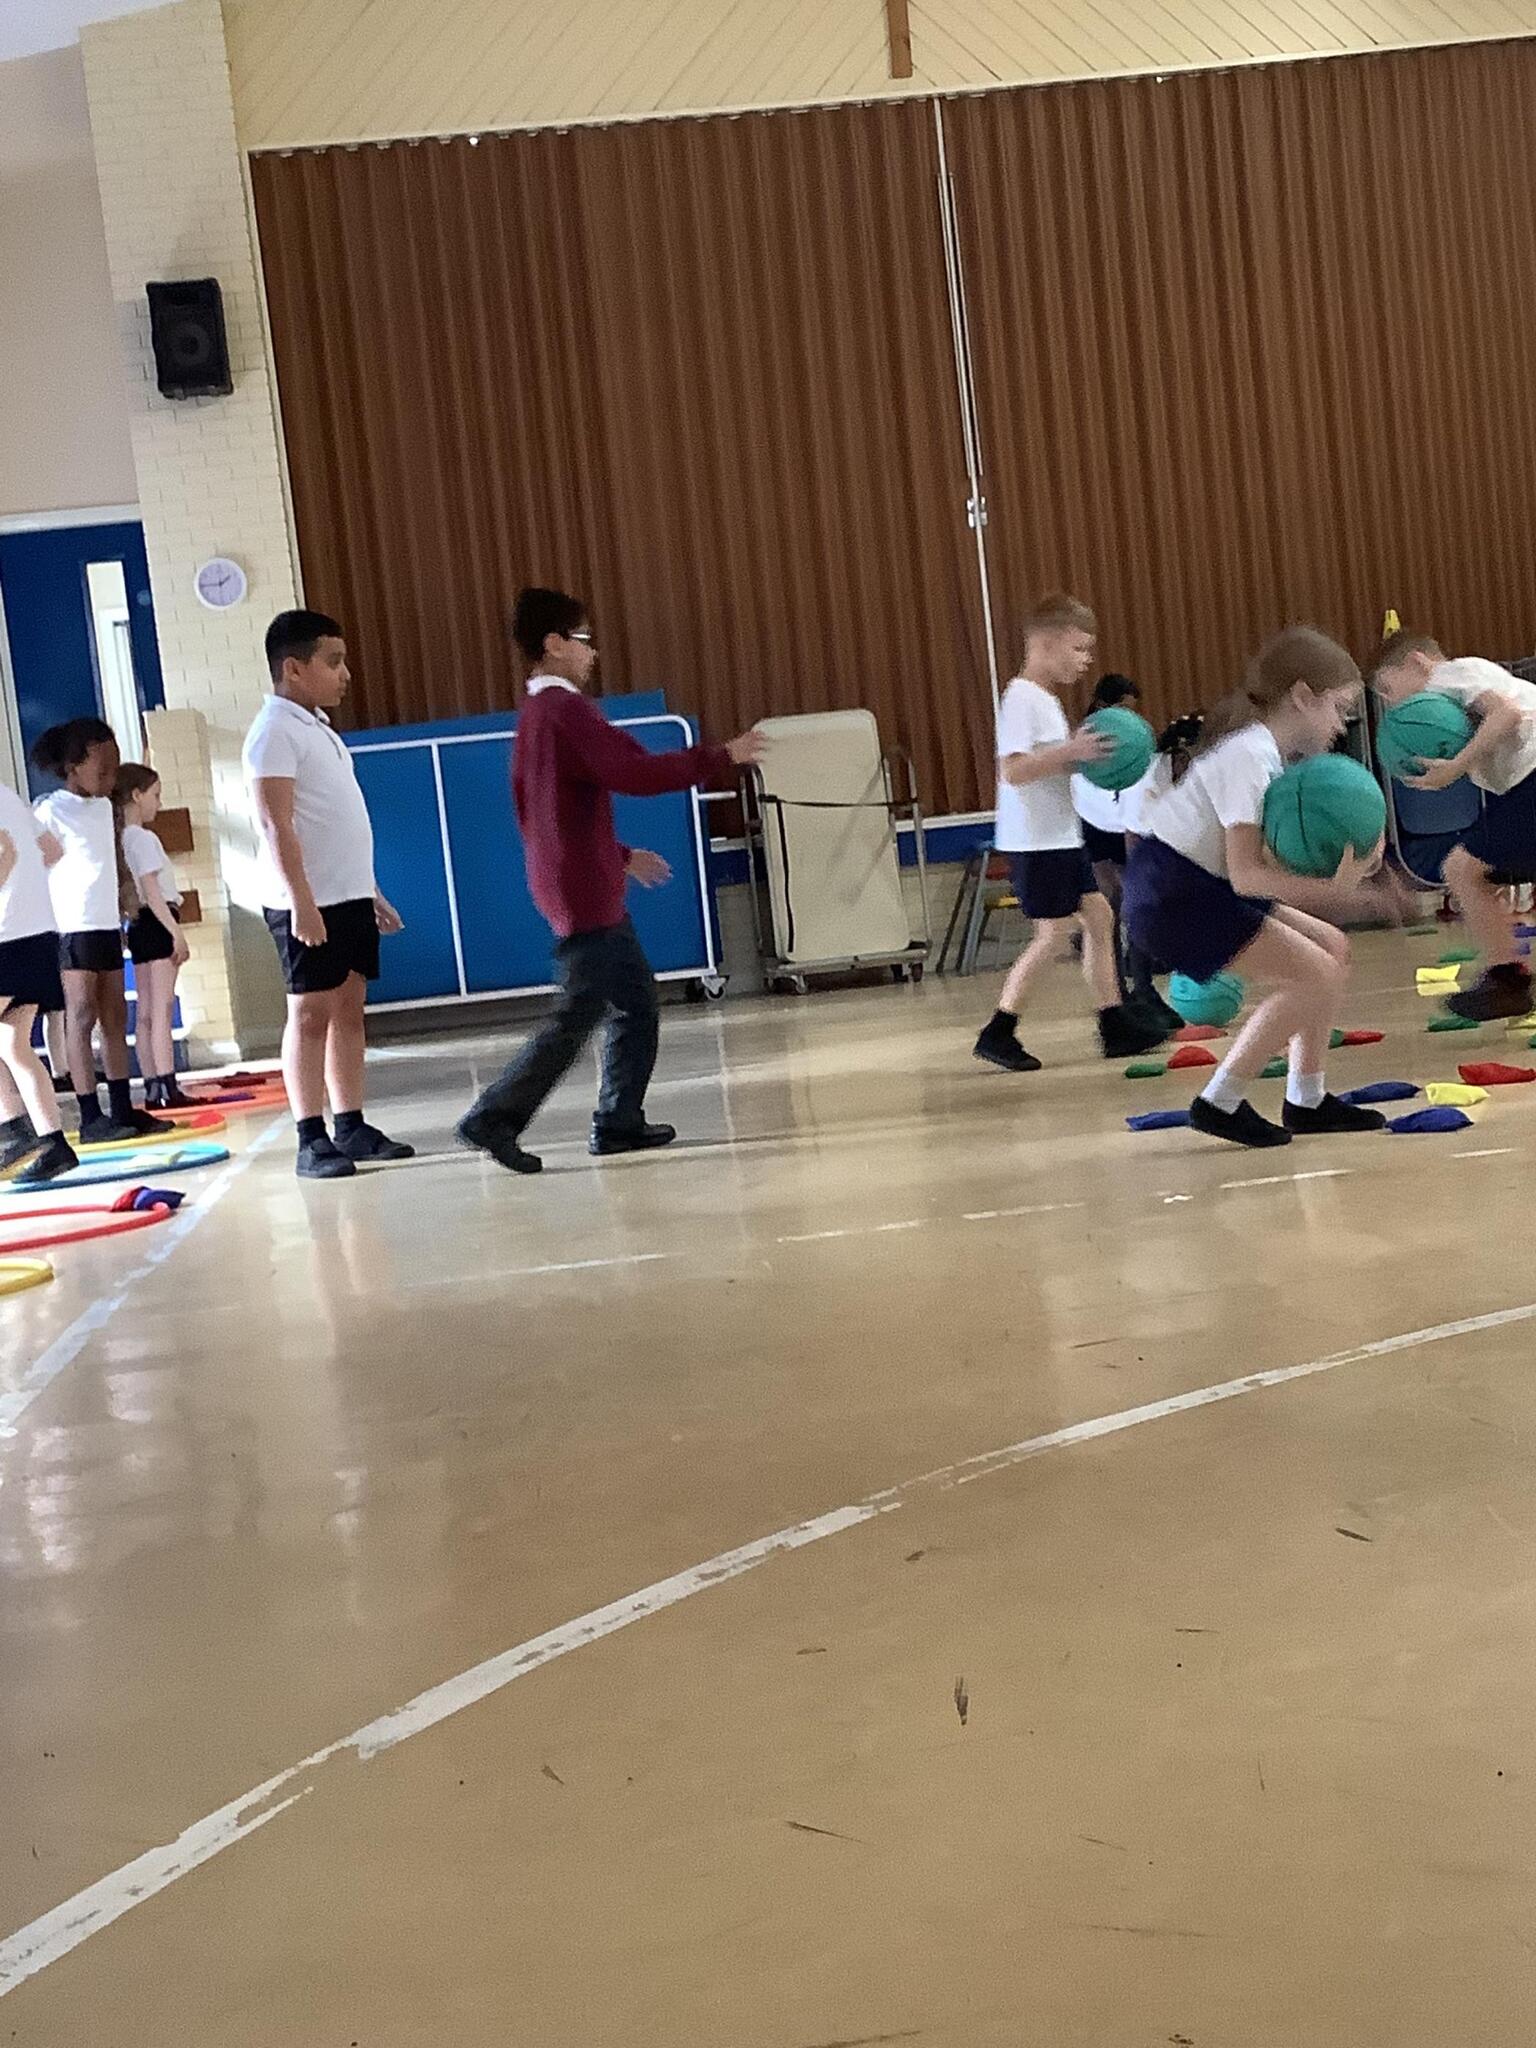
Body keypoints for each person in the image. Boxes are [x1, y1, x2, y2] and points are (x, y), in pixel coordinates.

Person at [458, 586, 765, 1175]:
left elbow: (547, 808)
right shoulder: (565, 711)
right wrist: (721, 755)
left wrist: (618, 854)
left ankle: (619, 1120)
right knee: (580, 1012)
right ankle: (495, 1116)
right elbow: (633, 771)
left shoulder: (538, 716)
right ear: (554, 644)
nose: (592, 652)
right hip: (581, 888)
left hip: (574, 877)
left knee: (633, 1002)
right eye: (584, 639)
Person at [1122, 626, 1407, 1148]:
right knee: (1314, 975)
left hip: (1194, 884)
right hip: (1174, 894)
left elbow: (1256, 867)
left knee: (1332, 949)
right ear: (1302, 696)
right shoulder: (1250, 754)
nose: (1340, 727)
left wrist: (1351, 876)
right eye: (1339, 709)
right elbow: (1248, 875)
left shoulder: (1264, 752)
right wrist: (1342, 892)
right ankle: (1219, 1102)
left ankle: (1307, 1099)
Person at [243, 609, 414, 1180]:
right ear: (293, 668)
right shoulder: (273, 732)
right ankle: (310, 1138)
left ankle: (351, 1124)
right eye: (333, 662)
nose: (345, 674)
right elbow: (276, 823)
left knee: (349, 1010)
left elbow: (337, 822)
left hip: (347, 896)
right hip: (307, 902)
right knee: (310, 1014)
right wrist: (302, 902)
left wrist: (369, 890)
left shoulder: (318, 728)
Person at [973, 595, 1167, 1073]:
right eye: (1078, 648)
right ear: (1045, 643)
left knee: (1099, 917)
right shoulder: (1022, 697)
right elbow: (1013, 771)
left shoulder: (1046, 700)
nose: (1086, 660)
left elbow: (1051, 766)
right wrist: (1070, 752)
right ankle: (999, 1030)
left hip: (1059, 835)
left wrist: (1086, 761)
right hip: (1036, 841)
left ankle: (1114, 1023)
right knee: (1054, 934)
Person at [1369, 631, 1536, 1020]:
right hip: (1523, 782)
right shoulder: (1454, 695)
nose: (1390, 704)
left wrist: (1456, 766)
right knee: (1474, 873)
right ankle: (1507, 978)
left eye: (1388, 689)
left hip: (1532, 775)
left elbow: (1506, 715)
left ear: (1418, 663)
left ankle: (1507, 981)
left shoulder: (1454, 674)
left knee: (1462, 869)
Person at [32, 717, 160, 1144]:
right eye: (102, 771)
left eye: (114, 770)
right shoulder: (49, 810)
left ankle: (122, 1107)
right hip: (72, 926)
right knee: (81, 1013)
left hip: (105, 923)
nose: (110, 780)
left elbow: (112, 863)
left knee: (114, 1016)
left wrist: (124, 907)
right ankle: (90, 1114)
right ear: (73, 767)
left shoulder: (105, 809)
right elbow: (36, 865)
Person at [1070, 673, 1182, 1033]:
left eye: (1133, 709)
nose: (1130, 715)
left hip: (1120, 817)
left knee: (1134, 899)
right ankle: (1120, 991)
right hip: (1095, 821)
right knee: (1113, 903)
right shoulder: (1089, 738)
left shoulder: (1138, 751)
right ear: (1105, 705)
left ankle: (1142, 987)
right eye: (1123, 707)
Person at [0, 779, 78, 1183]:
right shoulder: (8, 795)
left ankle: (13, 1131)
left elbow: (5, 852)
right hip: (37, 931)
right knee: (12, 1044)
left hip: (8, 935)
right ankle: (52, 1143)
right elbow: (52, 850)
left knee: (12, 1045)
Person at [116, 764, 193, 1110]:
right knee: (161, 1008)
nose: (159, 804)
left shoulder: (120, 840)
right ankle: (168, 1084)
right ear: (136, 795)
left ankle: (151, 1085)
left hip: (139, 925)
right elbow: (153, 891)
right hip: (158, 921)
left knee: (146, 1011)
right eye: (156, 795)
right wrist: (176, 933)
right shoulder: (144, 838)